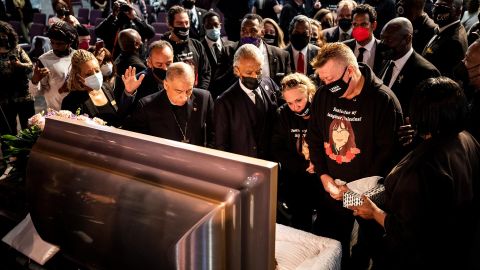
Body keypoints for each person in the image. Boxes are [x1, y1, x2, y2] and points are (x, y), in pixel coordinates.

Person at [351, 77, 480, 270]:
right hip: (457, 247)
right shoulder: (467, 139)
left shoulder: (424, 166)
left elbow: (408, 233)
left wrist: (374, 212)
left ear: (421, 113)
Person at [307, 42, 403, 268]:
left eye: (330, 79)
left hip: (365, 199)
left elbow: (388, 156)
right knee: (327, 249)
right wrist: (323, 176)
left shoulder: (383, 101)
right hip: (330, 192)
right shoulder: (323, 95)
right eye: (323, 80)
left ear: (350, 71)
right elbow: (314, 137)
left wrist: (351, 194)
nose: (326, 85)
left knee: (358, 255)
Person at [271, 72, 323, 232]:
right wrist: (302, 166)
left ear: (310, 92)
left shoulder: (321, 109)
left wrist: (318, 163)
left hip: (323, 176)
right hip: (296, 178)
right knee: (301, 224)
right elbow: (277, 148)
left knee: (325, 225)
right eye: (290, 103)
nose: (295, 107)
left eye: (299, 100)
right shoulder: (283, 114)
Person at [123, 62, 214, 147]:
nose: (185, 97)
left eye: (189, 90)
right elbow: (139, 144)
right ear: (166, 85)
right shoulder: (147, 106)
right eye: (179, 91)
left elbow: (214, 135)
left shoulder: (204, 98)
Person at [215, 44, 279, 159]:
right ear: (236, 70)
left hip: (272, 162)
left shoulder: (269, 84)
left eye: (258, 71)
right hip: (245, 166)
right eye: (249, 73)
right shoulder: (224, 102)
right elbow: (221, 145)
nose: (255, 76)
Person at [378, 17, 440, 115]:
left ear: (407, 39)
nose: (383, 44)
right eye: (382, 39)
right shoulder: (385, 61)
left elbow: (428, 114)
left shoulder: (426, 72)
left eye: (389, 40)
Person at [61, 49, 120, 127]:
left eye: (97, 70)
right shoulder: (71, 101)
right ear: (79, 77)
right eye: (88, 74)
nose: (95, 75)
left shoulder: (106, 88)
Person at [30, 21, 77, 111]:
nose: (55, 47)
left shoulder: (77, 56)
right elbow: (35, 94)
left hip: (77, 110)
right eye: (52, 42)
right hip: (56, 113)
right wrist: (34, 81)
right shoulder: (44, 60)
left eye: (59, 44)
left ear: (69, 42)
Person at [119, 40, 173, 117]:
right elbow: (123, 113)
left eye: (168, 63)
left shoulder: (176, 76)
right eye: (159, 64)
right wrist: (129, 92)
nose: (165, 68)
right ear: (149, 62)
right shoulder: (138, 81)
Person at [162, 5, 211, 90]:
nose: (184, 26)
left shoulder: (197, 45)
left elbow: (206, 72)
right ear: (170, 25)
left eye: (186, 22)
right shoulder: (163, 49)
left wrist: (199, 93)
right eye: (179, 23)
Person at [237, 13, 291, 87]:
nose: (248, 34)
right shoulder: (230, 52)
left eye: (253, 31)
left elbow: (288, 86)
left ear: (262, 32)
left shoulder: (281, 55)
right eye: (244, 30)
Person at [0, 21, 34, 135]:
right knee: (8, 132)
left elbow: (30, 67)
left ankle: (29, 152)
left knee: (29, 128)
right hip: (4, 98)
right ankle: (10, 153)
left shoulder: (17, 49)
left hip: (23, 95)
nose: (2, 38)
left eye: (4, 35)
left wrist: (19, 65)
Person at [421, 0, 467, 78]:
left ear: (458, 12)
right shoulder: (444, 28)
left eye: (443, 8)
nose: (435, 11)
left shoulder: (454, 42)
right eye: (435, 7)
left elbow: (446, 78)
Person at [200, 11, 236, 99]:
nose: (213, 28)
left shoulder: (232, 46)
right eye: (209, 25)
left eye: (216, 25)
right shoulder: (199, 48)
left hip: (229, 94)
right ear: (204, 27)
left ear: (220, 25)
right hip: (208, 95)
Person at [344, 4, 383, 76]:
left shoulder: (384, 49)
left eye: (363, 24)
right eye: (355, 24)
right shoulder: (344, 48)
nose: (359, 28)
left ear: (373, 25)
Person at [113, 28, 147, 101]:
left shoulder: (118, 59)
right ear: (136, 44)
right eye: (141, 40)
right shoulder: (138, 66)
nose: (142, 43)